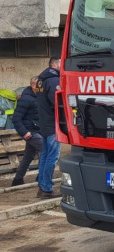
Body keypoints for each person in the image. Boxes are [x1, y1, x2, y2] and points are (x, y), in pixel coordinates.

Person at [35, 57, 61, 198]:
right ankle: (47, 188)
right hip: (52, 124)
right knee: (53, 156)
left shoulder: (41, 79)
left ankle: (42, 185)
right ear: (55, 65)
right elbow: (57, 102)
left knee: (45, 156)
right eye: (61, 63)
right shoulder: (53, 80)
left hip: (44, 123)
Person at [11, 77, 43, 187]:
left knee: (28, 155)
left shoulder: (37, 97)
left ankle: (17, 180)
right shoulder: (26, 99)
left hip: (36, 130)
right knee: (45, 149)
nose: (42, 87)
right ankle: (42, 177)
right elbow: (16, 118)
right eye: (40, 84)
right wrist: (24, 132)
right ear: (33, 85)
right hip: (30, 132)